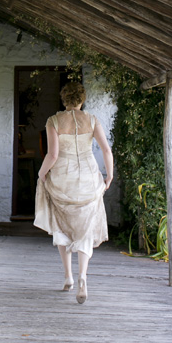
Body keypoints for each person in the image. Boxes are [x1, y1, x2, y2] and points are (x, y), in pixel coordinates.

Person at [33, 81, 112, 305]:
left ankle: (68, 276)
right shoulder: (93, 120)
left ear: (64, 99)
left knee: (62, 225)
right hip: (88, 177)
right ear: (82, 100)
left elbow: (53, 155)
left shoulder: (54, 121)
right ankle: (82, 278)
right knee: (85, 228)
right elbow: (106, 150)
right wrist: (109, 176)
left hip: (63, 178)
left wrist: (41, 173)